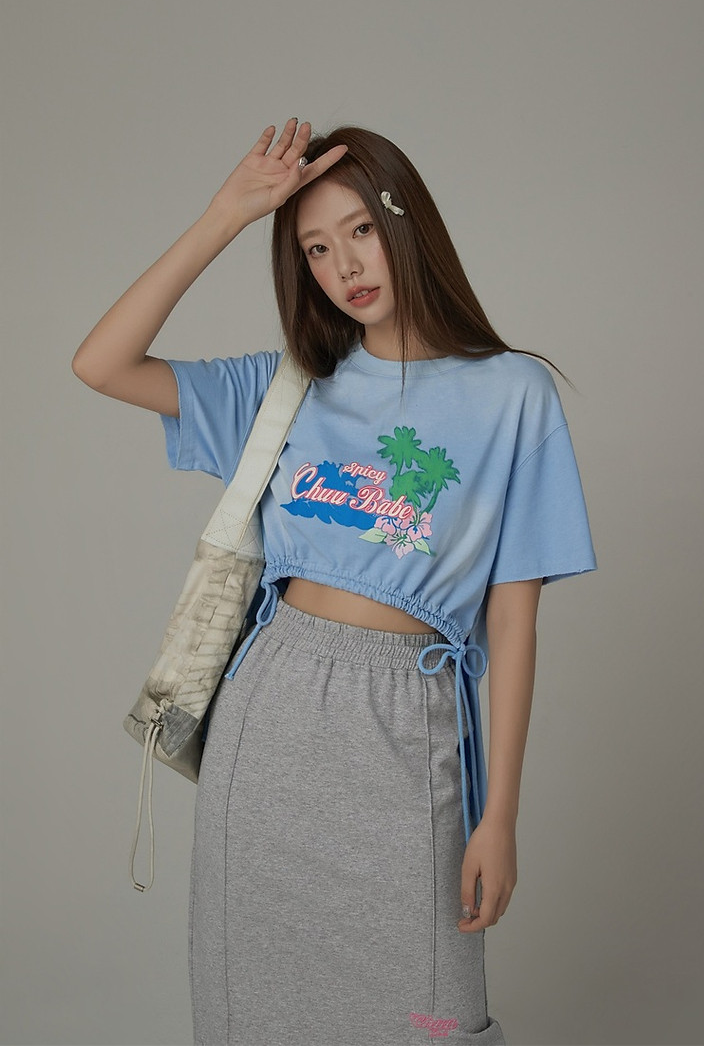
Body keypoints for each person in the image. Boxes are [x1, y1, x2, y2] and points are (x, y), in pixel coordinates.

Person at [72, 117, 598, 1046]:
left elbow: (514, 623)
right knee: (255, 1010)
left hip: (409, 723)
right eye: (315, 247)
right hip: (270, 719)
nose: (344, 264)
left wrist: (499, 817)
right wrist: (226, 215)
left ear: (406, 222)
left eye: (359, 229)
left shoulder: (516, 395)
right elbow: (100, 362)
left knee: (429, 1017)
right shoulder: (286, 387)